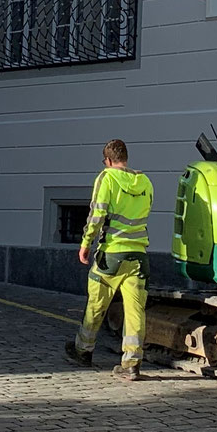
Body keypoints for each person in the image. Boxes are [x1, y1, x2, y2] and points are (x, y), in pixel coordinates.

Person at [65, 139, 154, 380]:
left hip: (111, 256)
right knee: (136, 311)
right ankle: (132, 363)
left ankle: (83, 350)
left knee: (97, 304)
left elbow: (97, 214)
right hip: (138, 257)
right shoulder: (145, 181)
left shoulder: (106, 178)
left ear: (107, 160)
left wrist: (85, 244)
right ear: (125, 157)